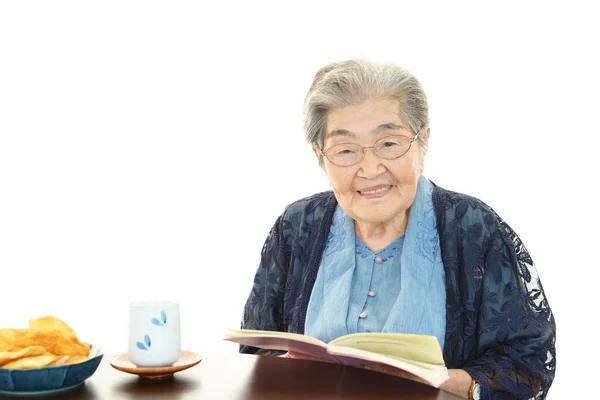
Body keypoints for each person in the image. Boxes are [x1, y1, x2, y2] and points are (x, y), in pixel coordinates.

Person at [239, 59, 555, 400]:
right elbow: (256, 349)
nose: (371, 168)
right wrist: (286, 368)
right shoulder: (297, 226)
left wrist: (446, 383)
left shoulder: (474, 227)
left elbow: (528, 362)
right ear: (321, 156)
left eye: (389, 144)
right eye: (346, 150)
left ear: (424, 142)